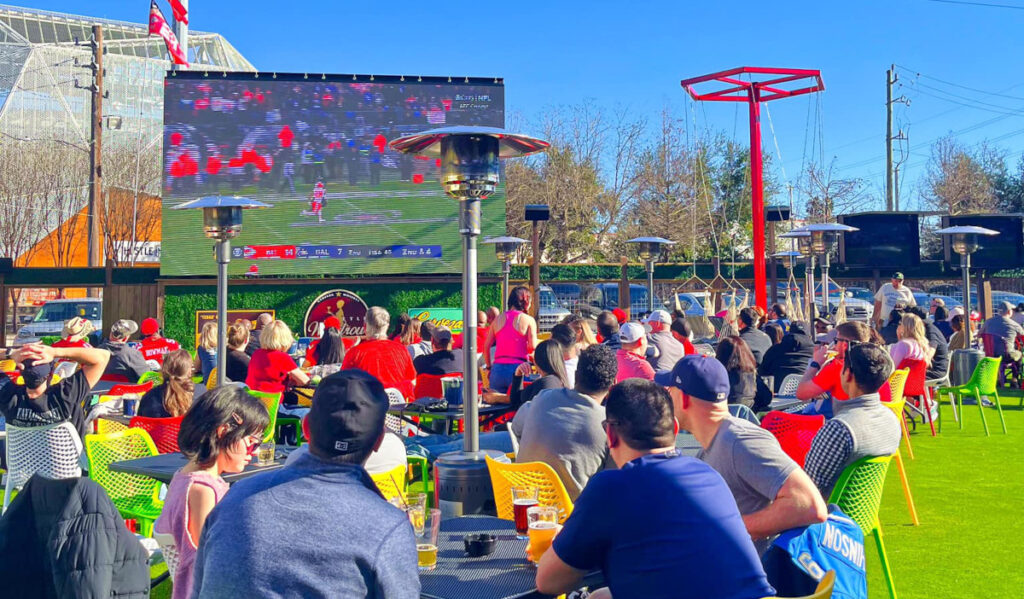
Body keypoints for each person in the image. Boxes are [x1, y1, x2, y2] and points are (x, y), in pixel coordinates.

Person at [534, 378, 775, 599]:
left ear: (610, 434)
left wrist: (563, 543)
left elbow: (548, 583)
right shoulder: (709, 474)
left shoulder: (610, 488)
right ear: (676, 430)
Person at [190, 370, 420, 599]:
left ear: (306, 428)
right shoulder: (387, 526)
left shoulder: (236, 497)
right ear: (379, 439)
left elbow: (199, 589)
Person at [660, 356, 827, 555]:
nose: (666, 396)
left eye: (670, 390)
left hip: (746, 577)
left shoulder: (739, 441)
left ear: (685, 398)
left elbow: (809, 505)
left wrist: (730, 527)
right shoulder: (716, 443)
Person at [153, 386, 269, 599]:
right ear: (223, 431)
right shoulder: (202, 490)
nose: (253, 452)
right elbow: (212, 560)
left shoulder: (184, 475)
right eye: (251, 442)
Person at [511, 345, 617, 499]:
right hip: (572, 517)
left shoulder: (541, 398)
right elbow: (612, 481)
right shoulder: (609, 426)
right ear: (614, 383)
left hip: (524, 505)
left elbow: (516, 427)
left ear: (576, 374)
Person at [803, 343, 901, 498]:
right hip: (862, 512)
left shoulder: (840, 429)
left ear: (847, 374)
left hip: (826, 515)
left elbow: (806, 490)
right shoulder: (892, 421)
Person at [0, 343, 109, 441]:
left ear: (21, 373)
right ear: (51, 374)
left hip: (20, 463)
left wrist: (11, 353)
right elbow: (103, 356)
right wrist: (55, 352)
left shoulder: (7, 395)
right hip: (69, 463)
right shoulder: (66, 394)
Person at [342, 307, 416, 398]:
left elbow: (343, 382)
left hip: (368, 407)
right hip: (398, 408)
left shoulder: (355, 353)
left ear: (365, 327)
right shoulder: (402, 350)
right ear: (387, 326)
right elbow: (412, 380)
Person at [796, 321, 873, 406]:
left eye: (836, 341)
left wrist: (816, 363)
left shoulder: (839, 367)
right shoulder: (876, 365)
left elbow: (801, 393)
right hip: (875, 416)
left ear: (844, 345)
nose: (834, 346)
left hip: (844, 416)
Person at [483, 287, 538, 394]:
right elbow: (532, 347)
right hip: (519, 368)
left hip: (498, 369)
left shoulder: (497, 320)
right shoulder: (528, 320)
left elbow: (486, 346)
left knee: (496, 406)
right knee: (519, 404)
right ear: (526, 301)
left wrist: (489, 367)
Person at [246, 320, 311, 405]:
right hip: (274, 406)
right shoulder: (282, 357)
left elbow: (268, 375)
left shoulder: (256, 354)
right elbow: (305, 381)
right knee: (307, 412)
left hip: (254, 405)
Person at [759, 321, 815, 392]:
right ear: (809, 336)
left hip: (778, 393)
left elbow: (762, 372)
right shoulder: (815, 352)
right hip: (807, 393)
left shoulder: (774, 349)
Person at [138, 349, 195, 418]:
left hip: (155, 429)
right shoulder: (199, 395)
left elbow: (140, 423)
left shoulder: (149, 397)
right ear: (189, 372)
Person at [514, 339, 569, 406]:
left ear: (536, 361)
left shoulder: (544, 383)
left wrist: (518, 375)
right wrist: (518, 374)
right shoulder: (560, 381)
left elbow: (516, 403)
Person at [905, 306, 949, 380]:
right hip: (933, 369)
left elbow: (931, 350)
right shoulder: (929, 328)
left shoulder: (930, 330)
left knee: (901, 378)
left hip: (935, 371)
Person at [715, 336, 759, 408]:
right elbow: (765, 398)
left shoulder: (717, 376)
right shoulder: (750, 374)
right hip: (748, 415)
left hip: (724, 414)